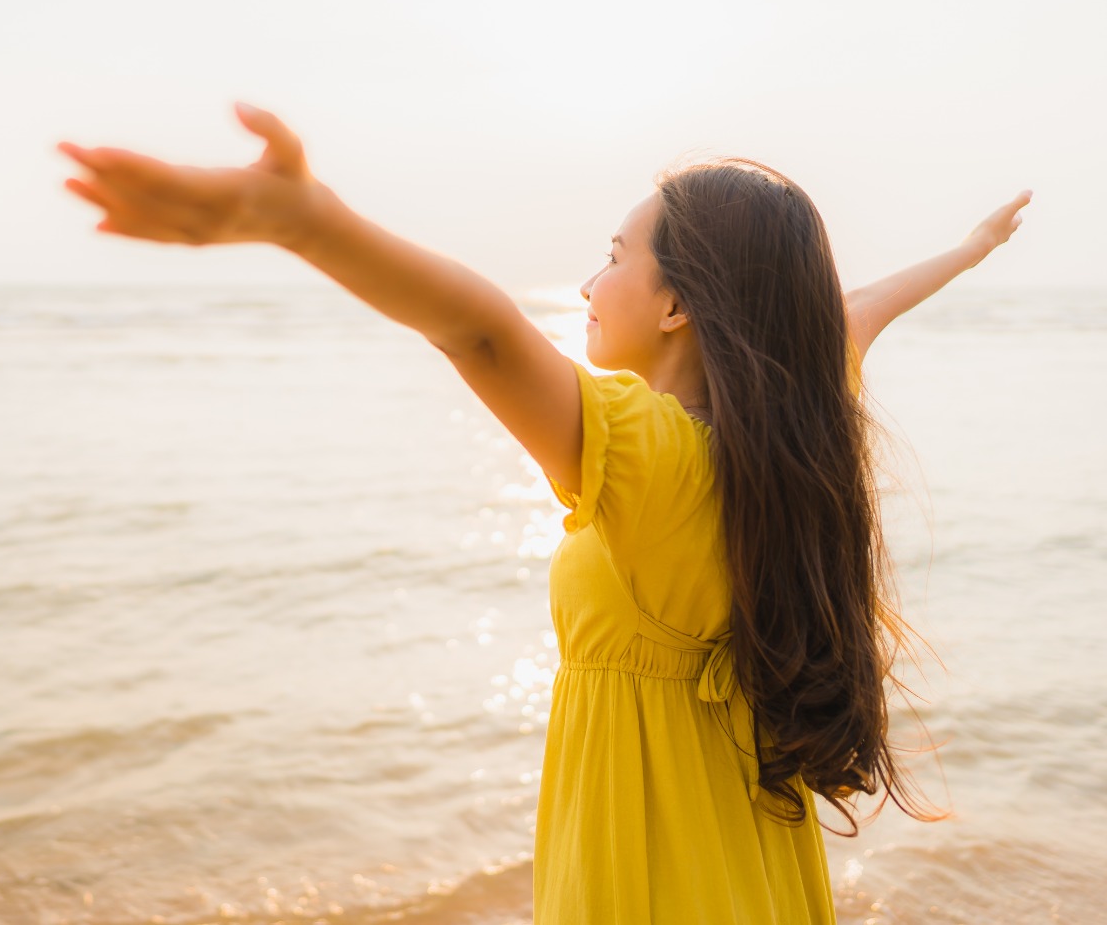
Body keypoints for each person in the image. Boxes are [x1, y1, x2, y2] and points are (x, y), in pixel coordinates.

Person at [55, 102, 1030, 924]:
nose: (585, 285)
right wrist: (966, 252)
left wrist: (305, 221)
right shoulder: (785, 435)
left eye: (612, 257)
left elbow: (479, 331)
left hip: (658, 886)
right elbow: (855, 311)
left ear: (679, 305)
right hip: (747, 873)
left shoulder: (661, 460)